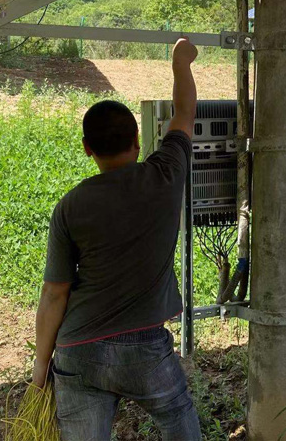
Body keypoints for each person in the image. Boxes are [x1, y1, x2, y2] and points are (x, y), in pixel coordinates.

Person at [31, 38, 201, 440]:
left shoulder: (70, 206)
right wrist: (180, 63)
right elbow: (185, 114)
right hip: (145, 350)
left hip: (78, 352)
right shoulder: (164, 175)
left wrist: (41, 370)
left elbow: (55, 294)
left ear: (88, 149)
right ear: (138, 142)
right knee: (179, 419)